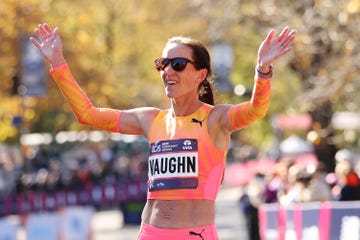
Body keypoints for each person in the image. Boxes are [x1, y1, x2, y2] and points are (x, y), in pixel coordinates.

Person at [30, 23, 296, 240]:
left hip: (196, 235)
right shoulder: (150, 120)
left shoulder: (215, 119)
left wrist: (262, 71)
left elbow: (255, 111)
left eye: (178, 64)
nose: (168, 70)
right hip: (151, 232)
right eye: (163, 64)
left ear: (200, 75)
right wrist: (58, 63)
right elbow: (88, 115)